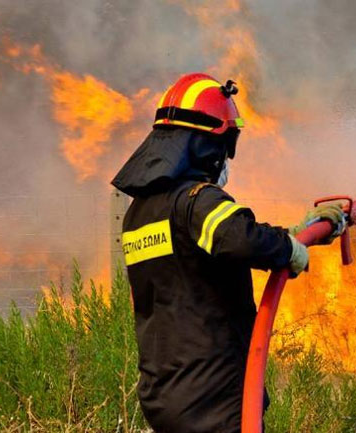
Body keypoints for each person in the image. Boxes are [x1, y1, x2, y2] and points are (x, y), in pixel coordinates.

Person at [111, 73, 344, 433]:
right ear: (207, 145)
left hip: (165, 394)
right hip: (213, 393)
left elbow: (209, 249)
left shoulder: (139, 213)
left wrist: (292, 234)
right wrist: (288, 249)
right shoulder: (196, 200)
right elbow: (240, 239)